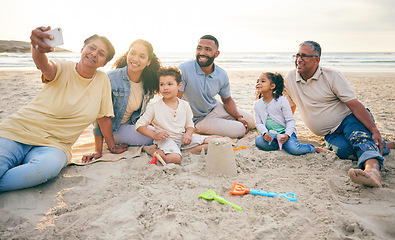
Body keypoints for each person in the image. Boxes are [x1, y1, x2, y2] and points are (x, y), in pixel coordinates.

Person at [0, 26, 121, 192]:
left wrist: (112, 147)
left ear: (104, 62)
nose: (94, 54)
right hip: (17, 131)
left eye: (101, 53)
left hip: (55, 146)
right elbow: (44, 65)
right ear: (82, 48)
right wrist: (38, 49)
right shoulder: (63, 67)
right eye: (92, 48)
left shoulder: (102, 81)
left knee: (44, 170)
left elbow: (103, 118)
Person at [285, 40, 395, 187]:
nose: (299, 59)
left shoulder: (332, 76)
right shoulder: (290, 79)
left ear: (316, 60)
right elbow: (289, 108)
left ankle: (372, 171)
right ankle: (383, 145)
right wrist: (285, 131)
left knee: (358, 137)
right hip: (330, 133)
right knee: (343, 151)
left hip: (349, 118)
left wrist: (374, 130)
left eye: (304, 56)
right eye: (297, 55)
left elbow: (355, 105)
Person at [82, 39, 161, 163]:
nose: (135, 59)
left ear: (148, 62)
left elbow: (137, 114)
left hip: (129, 125)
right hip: (112, 131)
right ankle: (151, 149)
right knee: (160, 137)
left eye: (142, 56)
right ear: (127, 54)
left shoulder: (147, 83)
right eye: (133, 53)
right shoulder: (111, 79)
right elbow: (100, 117)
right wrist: (103, 149)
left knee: (162, 131)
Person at [177, 35, 254, 138]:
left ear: (216, 54)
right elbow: (176, 100)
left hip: (215, 108)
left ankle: (224, 122)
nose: (202, 53)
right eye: (199, 48)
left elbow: (227, 100)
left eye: (207, 49)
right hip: (199, 120)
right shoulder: (184, 69)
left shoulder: (221, 74)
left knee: (252, 122)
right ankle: (216, 125)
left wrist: (238, 117)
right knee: (240, 129)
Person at [136, 66, 210, 164]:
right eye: (162, 84)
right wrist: (154, 135)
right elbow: (139, 125)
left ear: (179, 85)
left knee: (211, 142)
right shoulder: (155, 107)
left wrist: (187, 135)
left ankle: (182, 151)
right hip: (165, 140)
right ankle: (150, 150)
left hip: (182, 138)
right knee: (175, 159)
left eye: (170, 84)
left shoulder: (185, 105)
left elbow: (190, 125)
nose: (165, 87)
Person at [254, 72, 328, 155]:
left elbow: (290, 120)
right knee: (258, 141)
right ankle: (279, 144)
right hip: (271, 135)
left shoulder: (282, 101)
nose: (258, 83)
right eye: (257, 81)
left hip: (285, 133)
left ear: (272, 86)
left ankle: (313, 148)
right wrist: (264, 133)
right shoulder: (257, 104)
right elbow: (258, 123)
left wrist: (287, 135)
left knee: (295, 150)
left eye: (263, 81)